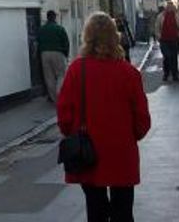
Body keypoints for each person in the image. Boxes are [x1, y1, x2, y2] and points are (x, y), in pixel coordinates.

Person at [57, 12, 151, 222]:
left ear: (87, 37)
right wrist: (128, 135)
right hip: (122, 152)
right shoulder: (129, 73)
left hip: (88, 153)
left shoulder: (75, 71)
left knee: (95, 210)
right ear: (114, 37)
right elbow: (142, 121)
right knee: (123, 211)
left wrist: (74, 132)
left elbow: (64, 115)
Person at [38, 9, 70, 102]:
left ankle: (54, 99)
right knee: (61, 75)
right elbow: (66, 42)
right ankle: (60, 95)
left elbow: (38, 42)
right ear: (54, 17)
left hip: (44, 53)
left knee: (49, 77)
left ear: (47, 17)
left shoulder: (41, 29)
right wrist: (66, 54)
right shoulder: (59, 28)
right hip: (58, 52)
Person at [154, 2, 179, 82]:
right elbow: (157, 27)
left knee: (174, 57)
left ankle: (175, 75)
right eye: (168, 7)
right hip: (164, 40)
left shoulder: (177, 16)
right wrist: (159, 37)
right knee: (167, 56)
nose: (170, 8)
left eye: (171, 7)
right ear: (166, 8)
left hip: (174, 39)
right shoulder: (160, 16)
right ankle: (166, 73)